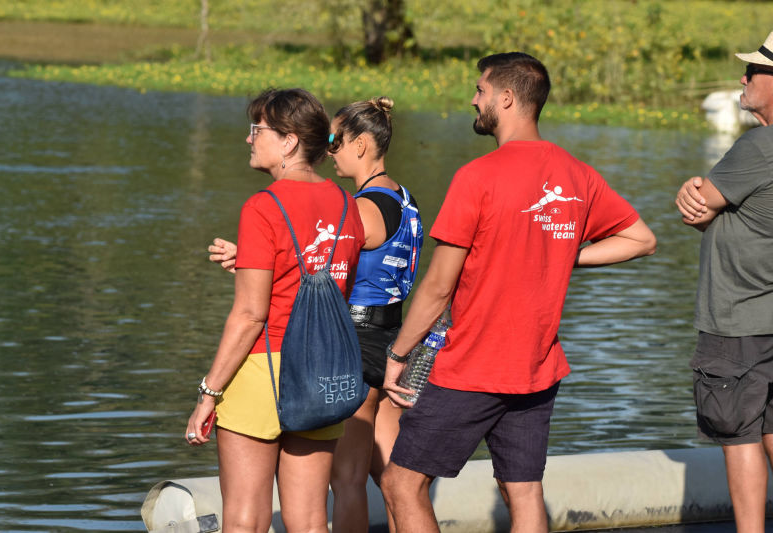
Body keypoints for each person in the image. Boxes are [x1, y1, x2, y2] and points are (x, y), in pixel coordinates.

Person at [379, 52, 657, 533]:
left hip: (472, 366)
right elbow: (641, 239)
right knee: (523, 490)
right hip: (536, 368)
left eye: (480, 90)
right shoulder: (577, 174)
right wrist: (561, 251)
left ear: (506, 98)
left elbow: (439, 286)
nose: (474, 99)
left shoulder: (477, 176)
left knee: (400, 484)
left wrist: (399, 352)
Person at [209, 96, 423, 533]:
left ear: (361, 145)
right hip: (392, 338)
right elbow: (328, 259)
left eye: (336, 141)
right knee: (394, 479)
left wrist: (208, 392)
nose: (329, 150)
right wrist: (253, 259)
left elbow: (309, 259)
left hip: (340, 344)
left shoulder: (358, 207)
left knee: (346, 480)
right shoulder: (402, 200)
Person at [185, 88, 365, 533]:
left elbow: (251, 315)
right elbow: (320, 282)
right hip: (322, 372)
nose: (249, 138)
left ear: (288, 141)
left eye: (257, 129)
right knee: (309, 519)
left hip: (263, 369)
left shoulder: (263, 206)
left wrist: (209, 392)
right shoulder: (347, 205)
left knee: (245, 519)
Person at [675, 32, 773, 533]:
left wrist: (692, 191)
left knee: (739, 436)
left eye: (753, 71)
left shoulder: (758, 146)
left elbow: (699, 203)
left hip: (737, 322)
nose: (743, 78)